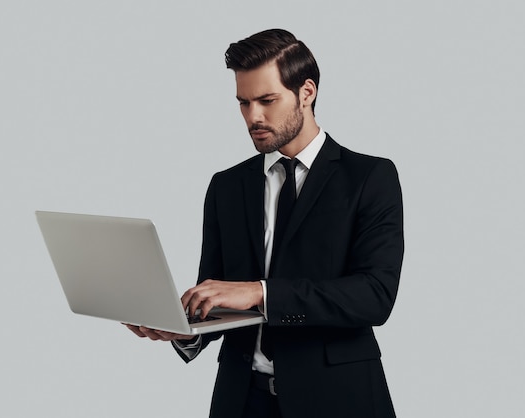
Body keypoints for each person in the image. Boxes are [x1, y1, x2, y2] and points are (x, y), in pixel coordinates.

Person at [126, 28, 404, 418]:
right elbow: (220, 290)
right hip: (241, 400)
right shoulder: (227, 186)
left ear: (307, 92)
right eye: (243, 103)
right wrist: (185, 328)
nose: (252, 116)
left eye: (266, 100)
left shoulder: (369, 177)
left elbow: (374, 296)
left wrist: (261, 292)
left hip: (338, 398)